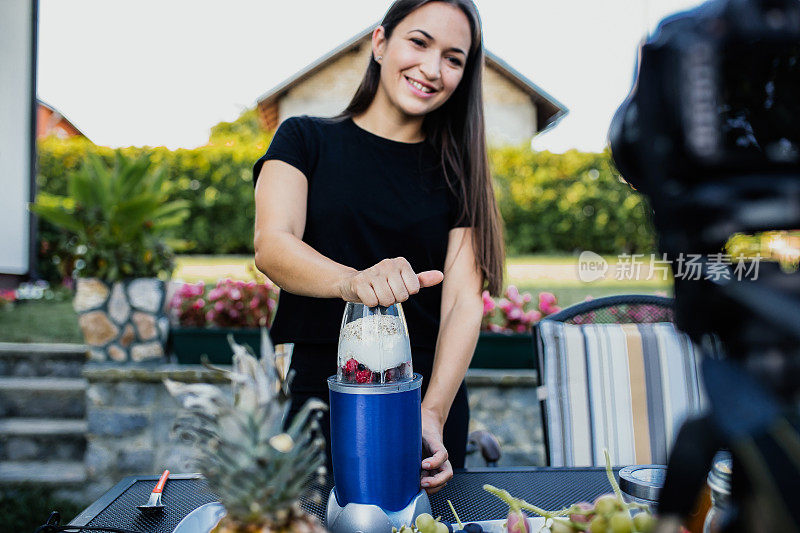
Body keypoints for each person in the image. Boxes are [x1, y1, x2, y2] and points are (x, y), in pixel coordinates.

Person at [253, 0, 503, 494]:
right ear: (381, 42)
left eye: (454, 58)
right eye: (419, 42)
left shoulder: (461, 168)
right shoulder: (303, 139)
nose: (432, 69)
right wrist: (354, 281)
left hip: (427, 406)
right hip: (322, 397)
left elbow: (461, 302)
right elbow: (273, 244)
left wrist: (431, 412)